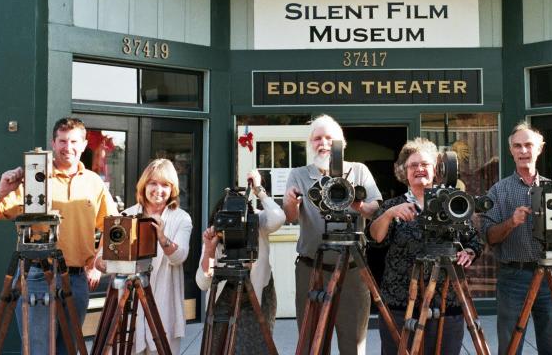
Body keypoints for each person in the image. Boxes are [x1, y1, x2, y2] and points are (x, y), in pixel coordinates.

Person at [0, 117, 118, 354]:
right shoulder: (34, 177)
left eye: (73, 141)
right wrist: (2, 190)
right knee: (40, 350)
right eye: (62, 141)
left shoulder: (93, 182)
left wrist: (97, 265)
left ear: (84, 144)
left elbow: (113, 226)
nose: (68, 147)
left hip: (77, 278)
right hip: (36, 274)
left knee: (68, 349)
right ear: (53, 142)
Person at [368, 138, 481, 355]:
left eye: (425, 164)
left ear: (436, 169)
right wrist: (389, 214)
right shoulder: (393, 205)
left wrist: (469, 252)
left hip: (446, 301)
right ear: (404, 172)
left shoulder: (453, 203)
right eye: (413, 165)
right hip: (400, 302)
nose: (419, 169)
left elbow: (473, 239)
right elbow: (376, 238)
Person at [282, 114, 382, 355]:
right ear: (310, 143)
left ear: (342, 143)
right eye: (317, 138)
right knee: (311, 342)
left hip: (351, 268)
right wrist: (290, 203)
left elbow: (376, 207)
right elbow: (291, 217)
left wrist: (360, 206)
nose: (323, 143)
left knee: (353, 343)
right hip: (311, 267)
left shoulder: (358, 171)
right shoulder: (298, 174)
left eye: (330, 138)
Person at [480, 121, 552, 355]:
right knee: (510, 346)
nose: (523, 151)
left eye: (528, 145)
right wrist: (511, 223)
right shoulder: (498, 191)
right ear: (511, 150)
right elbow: (489, 237)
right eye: (517, 146)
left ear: (540, 148)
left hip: (549, 275)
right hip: (513, 275)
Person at [94, 158, 192, 354]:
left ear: (172, 188)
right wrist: (111, 262)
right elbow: (100, 260)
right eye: (153, 182)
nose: (158, 189)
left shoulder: (181, 218)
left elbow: (179, 256)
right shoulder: (125, 215)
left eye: (165, 184)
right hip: (129, 306)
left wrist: (162, 238)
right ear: (144, 185)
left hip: (164, 306)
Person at [196, 169, 286, 354]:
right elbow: (203, 282)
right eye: (228, 218)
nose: (234, 224)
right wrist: (210, 250)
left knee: (254, 348)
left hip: (256, 296)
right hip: (224, 297)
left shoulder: (258, 224)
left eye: (239, 219)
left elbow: (279, 217)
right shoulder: (215, 235)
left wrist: (259, 191)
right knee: (219, 347)